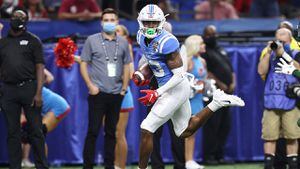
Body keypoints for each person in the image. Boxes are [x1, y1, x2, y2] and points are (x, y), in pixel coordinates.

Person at [135, 4, 244, 169]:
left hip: (175, 88)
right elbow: (153, 62)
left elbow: (179, 75)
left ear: (162, 22)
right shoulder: (140, 37)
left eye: (154, 22)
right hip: (167, 88)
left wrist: (157, 92)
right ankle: (217, 103)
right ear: (140, 22)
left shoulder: (167, 41)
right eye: (147, 22)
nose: (150, 26)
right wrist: (142, 73)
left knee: (146, 128)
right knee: (184, 131)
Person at [80, 8, 131, 169]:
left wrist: (124, 88)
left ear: (117, 22)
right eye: (106, 20)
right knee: (93, 131)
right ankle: (88, 165)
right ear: (101, 23)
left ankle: (109, 165)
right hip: (98, 93)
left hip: (116, 94)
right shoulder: (92, 40)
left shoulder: (123, 42)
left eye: (112, 20)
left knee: (111, 133)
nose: (109, 23)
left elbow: (127, 66)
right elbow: (83, 63)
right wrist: (90, 85)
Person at [0, 10, 48, 169]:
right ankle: (15, 166)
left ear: (27, 21)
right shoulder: (3, 43)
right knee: (13, 134)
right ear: (10, 20)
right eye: (14, 17)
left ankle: (42, 166)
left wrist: (39, 92)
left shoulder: (33, 41)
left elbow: (40, 67)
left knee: (36, 131)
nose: (17, 19)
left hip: (29, 88)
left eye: (21, 17)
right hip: (8, 91)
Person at [257, 28, 300, 169]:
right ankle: (269, 165)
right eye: (276, 36)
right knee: (269, 136)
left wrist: (284, 54)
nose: (278, 38)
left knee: (292, 136)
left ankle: (293, 164)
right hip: (271, 101)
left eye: (282, 35)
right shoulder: (270, 55)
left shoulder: (295, 52)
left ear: (290, 38)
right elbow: (261, 72)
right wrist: (268, 52)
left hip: (291, 101)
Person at [147, 21, 186, 169]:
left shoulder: (176, 49)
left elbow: (182, 73)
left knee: (178, 130)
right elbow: (143, 66)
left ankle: (180, 165)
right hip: (156, 89)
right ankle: (156, 165)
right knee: (153, 130)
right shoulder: (149, 46)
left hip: (174, 90)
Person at [21, 69, 71, 167]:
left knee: (39, 134)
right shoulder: (18, 85)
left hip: (58, 106)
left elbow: (50, 77)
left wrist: (42, 72)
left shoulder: (32, 69)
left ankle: (42, 165)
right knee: (33, 134)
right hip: (45, 108)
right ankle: (32, 162)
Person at [201, 25, 236, 165]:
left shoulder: (221, 50)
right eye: (209, 35)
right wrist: (220, 83)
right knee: (212, 125)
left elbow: (231, 69)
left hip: (227, 93)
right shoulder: (204, 52)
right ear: (204, 36)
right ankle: (209, 156)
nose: (213, 37)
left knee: (224, 125)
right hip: (213, 93)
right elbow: (206, 72)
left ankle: (220, 155)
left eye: (214, 34)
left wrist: (233, 82)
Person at [184, 35, 207, 169]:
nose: (204, 45)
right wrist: (192, 88)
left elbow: (204, 78)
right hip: (189, 100)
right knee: (189, 131)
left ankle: (190, 159)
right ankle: (187, 161)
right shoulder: (188, 61)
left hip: (199, 99)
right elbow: (181, 80)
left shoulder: (202, 61)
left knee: (194, 131)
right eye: (202, 43)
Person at [114, 24, 134, 169]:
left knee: (118, 133)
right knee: (110, 134)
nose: (114, 33)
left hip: (122, 95)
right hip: (107, 95)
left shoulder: (127, 49)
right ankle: (114, 164)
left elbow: (131, 73)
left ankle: (121, 166)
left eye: (118, 31)